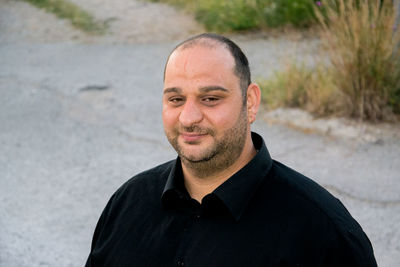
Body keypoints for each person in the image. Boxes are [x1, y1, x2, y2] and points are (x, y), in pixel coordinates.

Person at [85, 33, 377, 266]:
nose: (188, 118)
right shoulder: (127, 203)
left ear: (250, 102)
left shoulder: (322, 232)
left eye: (210, 98)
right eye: (175, 99)